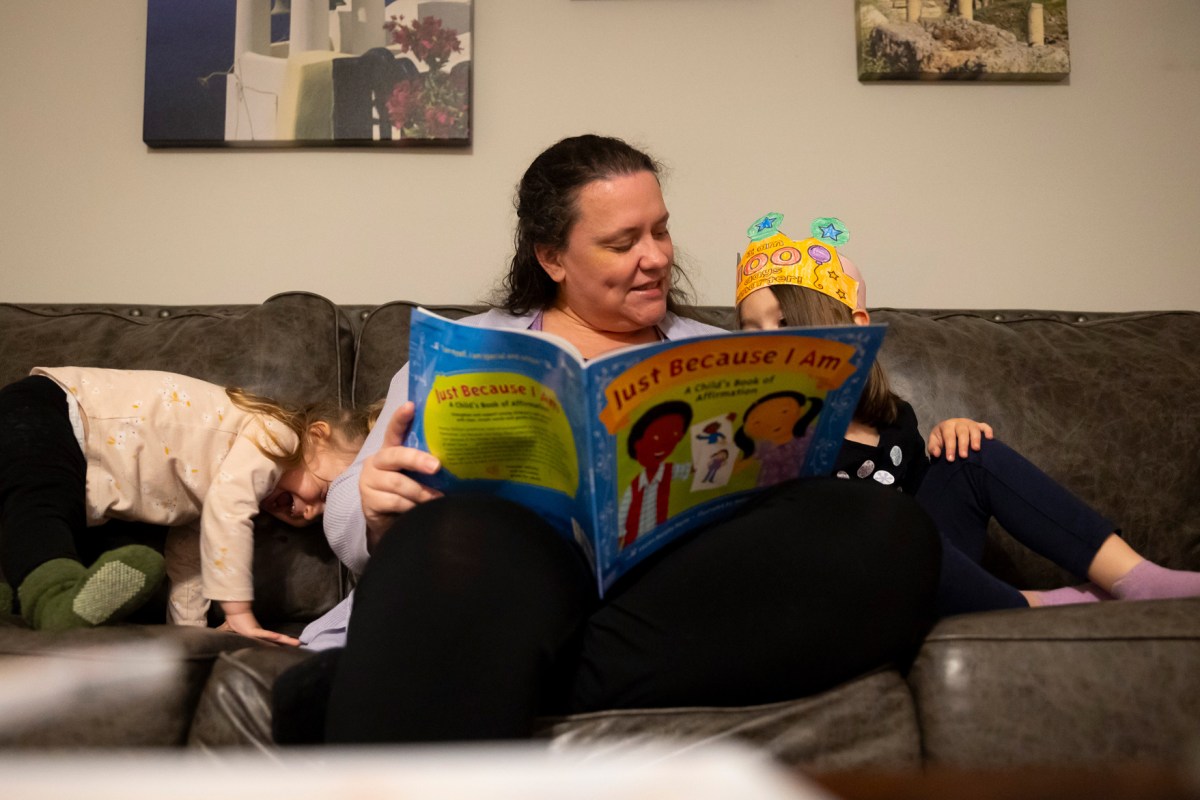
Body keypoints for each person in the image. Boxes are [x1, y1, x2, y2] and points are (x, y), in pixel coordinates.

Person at [278, 135, 942, 745]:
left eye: (661, 230)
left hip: (671, 588)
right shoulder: (466, 354)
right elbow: (343, 510)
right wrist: (370, 500)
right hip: (508, 578)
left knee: (889, 531)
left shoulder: (724, 354)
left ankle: (467, 680)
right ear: (551, 256)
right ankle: (474, 657)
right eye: (623, 243)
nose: (655, 257)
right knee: (457, 534)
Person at [734, 214, 1200, 616]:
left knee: (971, 458)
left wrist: (952, 438)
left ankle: (1137, 577)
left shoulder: (894, 421)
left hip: (923, 567)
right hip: (853, 589)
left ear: (855, 331)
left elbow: (929, 514)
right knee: (875, 530)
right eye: (748, 331)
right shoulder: (775, 437)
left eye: (785, 323)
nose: (763, 344)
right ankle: (1030, 605)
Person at [0, 367, 373, 643]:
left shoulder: (208, 495)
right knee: (38, 508)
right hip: (57, 414)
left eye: (317, 517)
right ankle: (56, 601)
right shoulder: (274, 435)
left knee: (26, 518)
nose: (309, 513)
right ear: (317, 437)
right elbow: (230, 509)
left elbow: (189, 567)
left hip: (67, 450)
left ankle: (12, 597)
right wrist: (240, 613)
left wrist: (193, 637)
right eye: (326, 494)